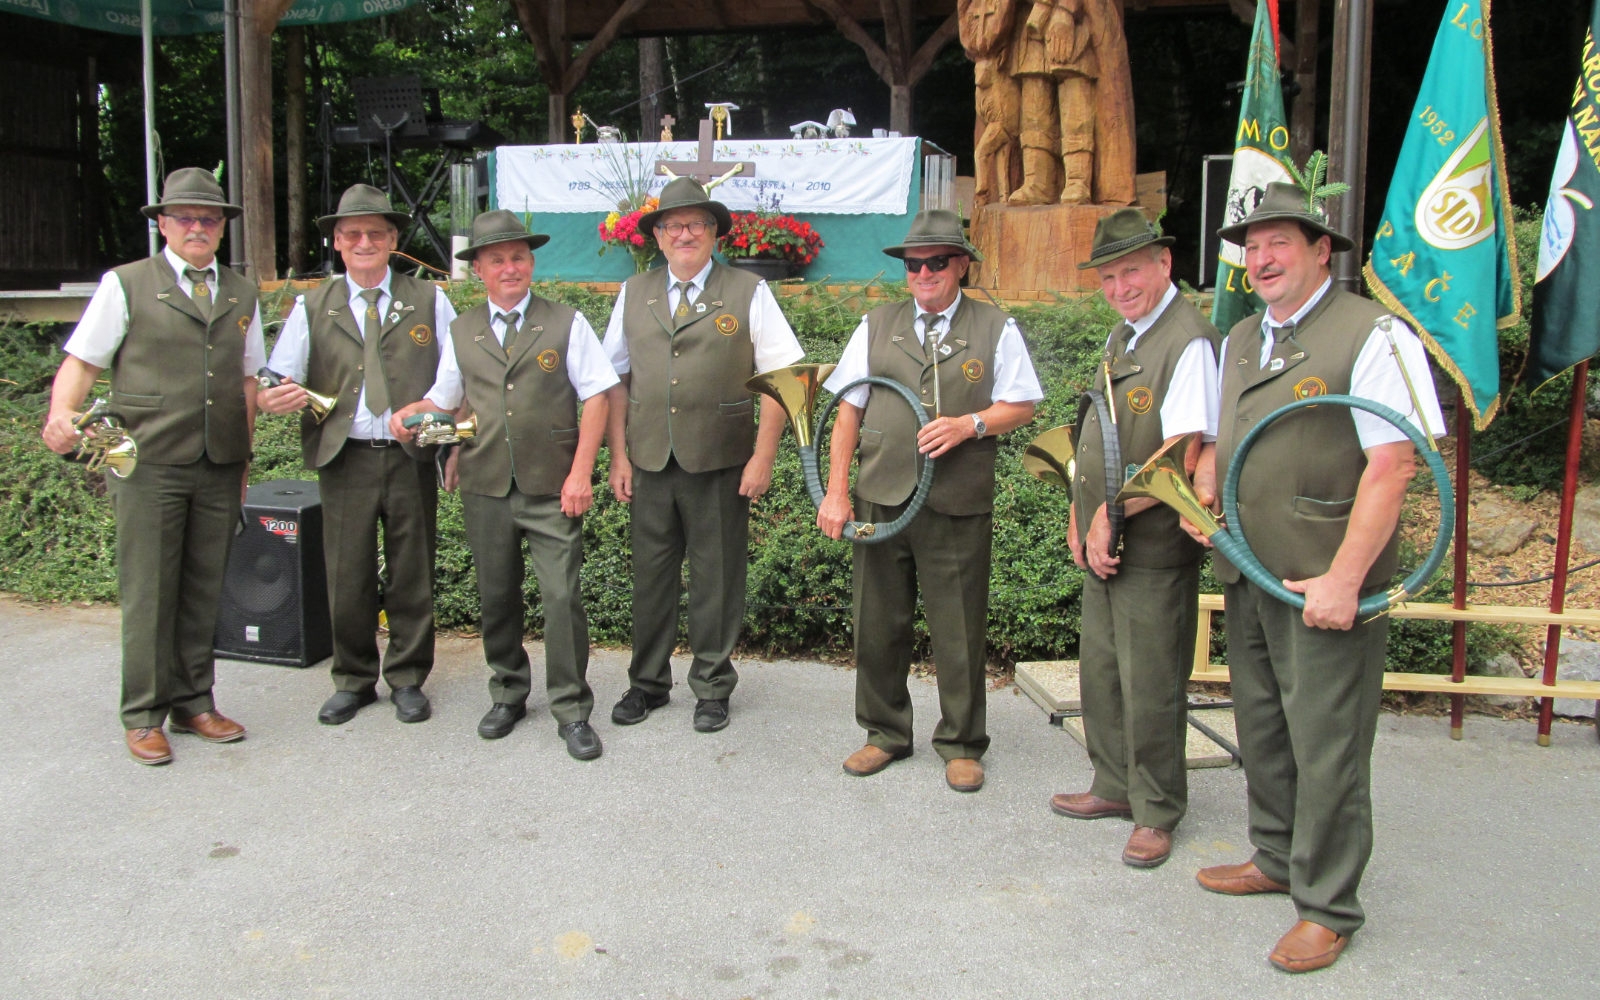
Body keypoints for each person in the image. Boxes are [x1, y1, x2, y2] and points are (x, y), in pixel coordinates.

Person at [1185, 181, 1445, 973]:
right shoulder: (1242, 337)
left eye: (1279, 243)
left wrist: (1345, 578)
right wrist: (1206, 488)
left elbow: (1394, 466)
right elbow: (1227, 436)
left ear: (1320, 250)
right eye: (1252, 246)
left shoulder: (1373, 334)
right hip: (1251, 570)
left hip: (1323, 581)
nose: (1261, 259)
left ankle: (1329, 906)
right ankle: (1275, 855)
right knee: (1263, 723)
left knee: (1328, 743)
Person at [42, 167, 262, 765]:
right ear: (163, 224)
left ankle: (193, 702)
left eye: (208, 219)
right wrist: (61, 413)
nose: (197, 227)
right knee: (149, 591)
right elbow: (84, 361)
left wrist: (243, 457)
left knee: (203, 587)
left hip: (218, 461)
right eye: (185, 218)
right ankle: (143, 714)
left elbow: (246, 379)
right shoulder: (127, 284)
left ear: (222, 228)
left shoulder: (241, 292)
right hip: (148, 461)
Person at [818, 209, 1042, 793]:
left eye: (936, 262)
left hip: (956, 500)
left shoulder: (996, 326)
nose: (923, 273)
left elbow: (1022, 404)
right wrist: (836, 490)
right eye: (914, 264)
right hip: (880, 496)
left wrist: (971, 424)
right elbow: (848, 409)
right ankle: (884, 733)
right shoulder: (876, 324)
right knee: (876, 622)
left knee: (958, 628)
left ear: (961, 264)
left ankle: (962, 743)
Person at [391, 210, 617, 760]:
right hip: (485, 482)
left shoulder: (566, 322)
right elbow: (444, 399)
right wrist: (410, 414)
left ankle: (571, 708)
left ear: (531, 263)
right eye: (497, 260)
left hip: (552, 486)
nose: (510, 268)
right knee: (496, 596)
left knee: (561, 597)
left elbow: (597, 396)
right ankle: (508, 692)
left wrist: (581, 472)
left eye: (518, 257)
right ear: (479, 270)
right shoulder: (461, 330)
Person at [601, 177, 804, 734]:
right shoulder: (633, 292)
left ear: (714, 233)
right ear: (657, 236)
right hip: (649, 461)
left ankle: (712, 686)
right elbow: (612, 380)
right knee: (650, 578)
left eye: (696, 224)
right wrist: (618, 457)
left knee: (716, 578)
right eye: (673, 225)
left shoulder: (748, 290)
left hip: (721, 462)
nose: (684, 234)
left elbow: (783, 379)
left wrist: (763, 458)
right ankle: (647, 683)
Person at [1049, 209, 1220, 866]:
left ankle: (1156, 809)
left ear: (1164, 264)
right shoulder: (1126, 334)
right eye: (1108, 277)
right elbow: (1101, 430)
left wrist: (1110, 513)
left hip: (1151, 545)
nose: (1119, 288)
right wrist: (1080, 511)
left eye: (1131, 272)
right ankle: (1114, 784)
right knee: (1103, 671)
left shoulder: (1187, 340)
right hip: (1108, 538)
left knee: (1150, 681)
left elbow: (1183, 453)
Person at [259, 184, 454, 726]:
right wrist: (273, 396)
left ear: (392, 240)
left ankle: (408, 678)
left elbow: (455, 378)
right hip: (344, 457)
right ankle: (353, 679)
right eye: (352, 234)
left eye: (375, 233)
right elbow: (278, 376)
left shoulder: (429, 299)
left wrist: (444, 435)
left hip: (410, 454)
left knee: (412, 572)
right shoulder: (312, 305)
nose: (364, 242)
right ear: (338, 243)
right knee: (347, 574)